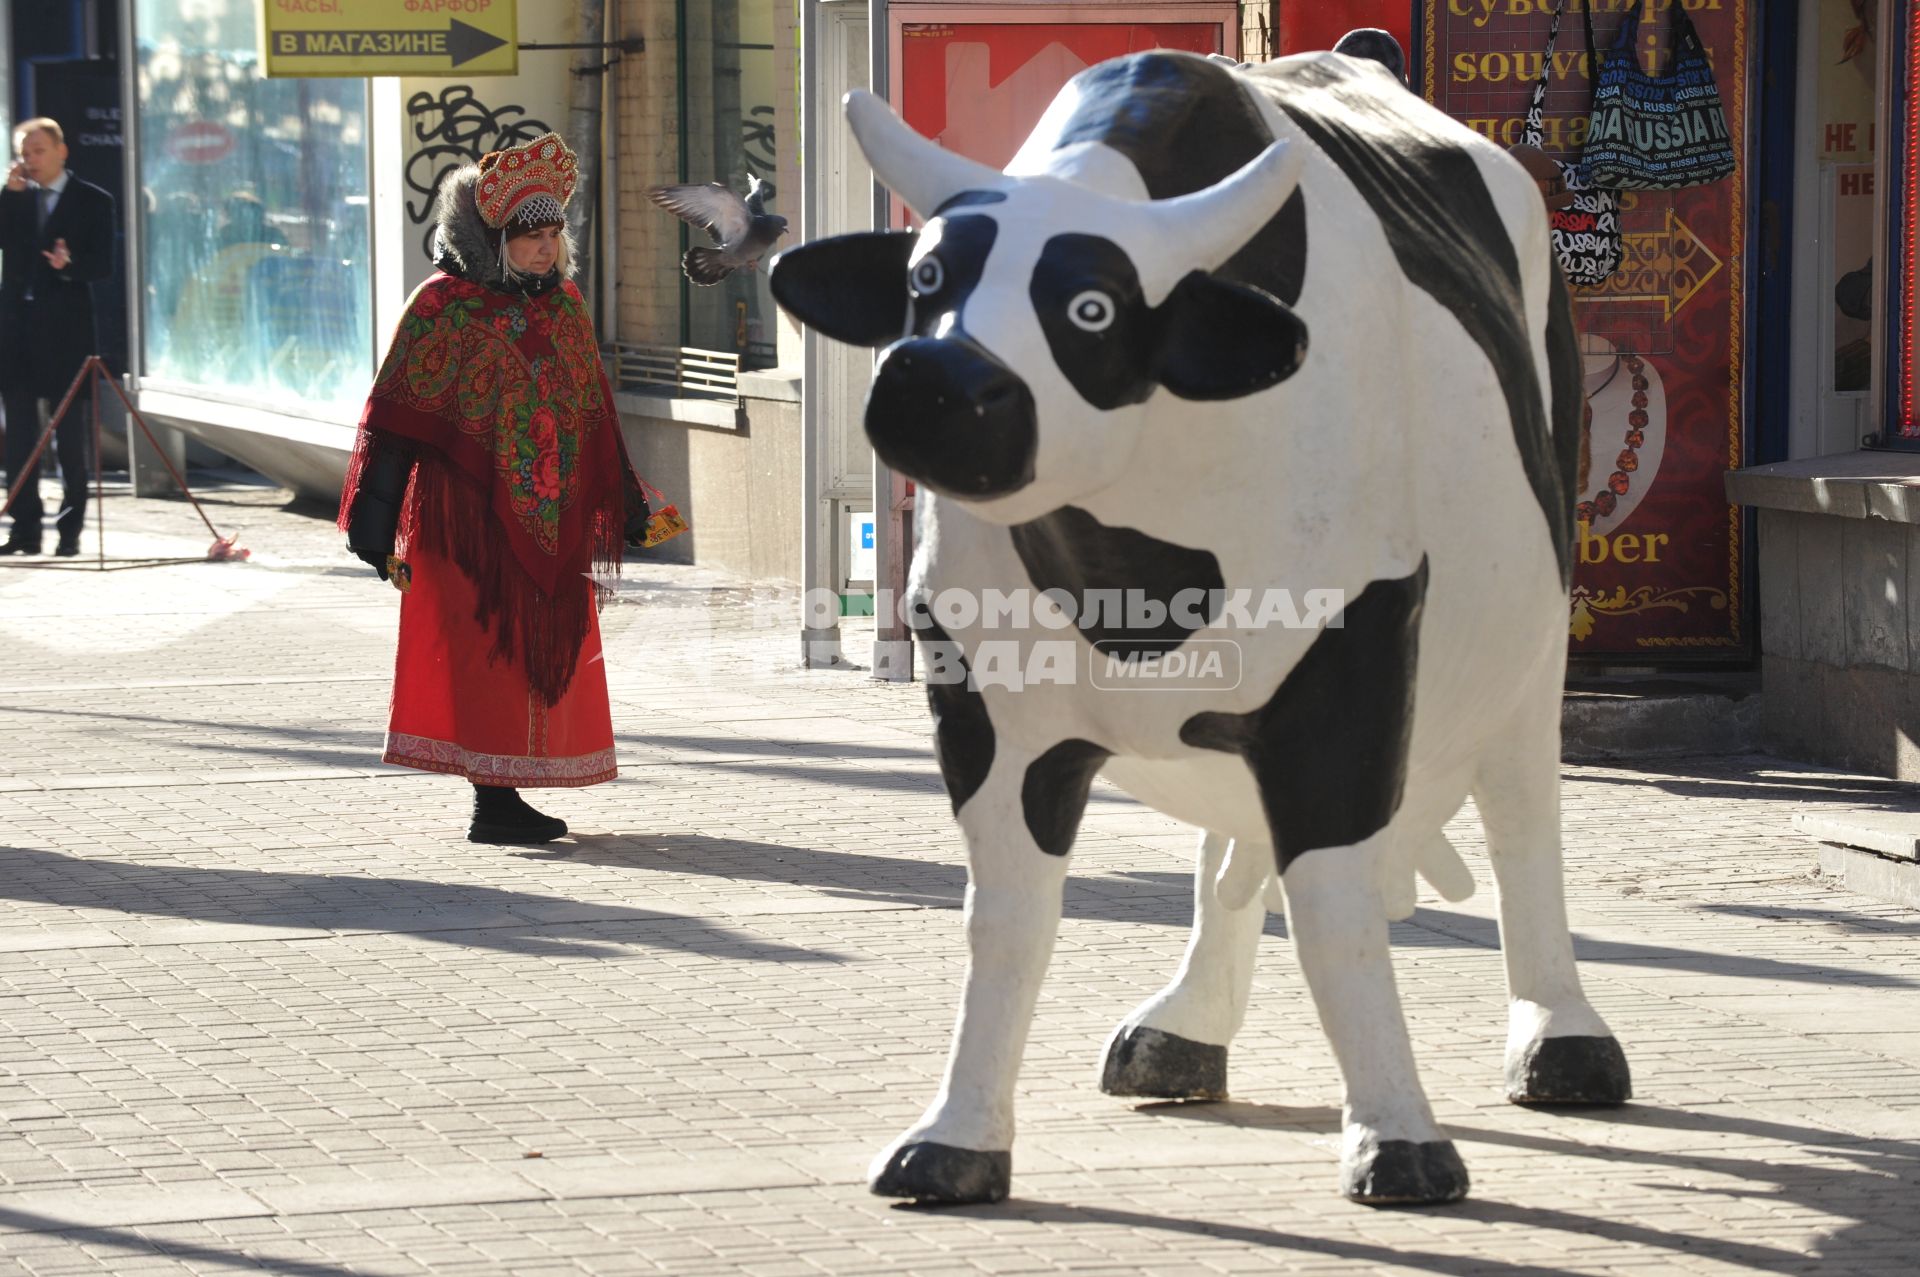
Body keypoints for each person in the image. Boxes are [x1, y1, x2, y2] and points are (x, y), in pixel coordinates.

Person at [337, 132, 652, 844]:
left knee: (538, 659)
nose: (545, 248)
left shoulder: (565, 305)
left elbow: (594, 413)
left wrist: (629, 507)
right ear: (489, 235)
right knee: (486, 654)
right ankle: (494, 801)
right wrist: (373, 526)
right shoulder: (442, 306)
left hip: (553, 514)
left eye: (552, 233)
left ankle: (509, 792)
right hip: (464, 521)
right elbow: (396, 418)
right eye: (527, 236)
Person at [0, 117, 115, 556]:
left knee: (70, 442)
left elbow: (103, 265)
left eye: (39, 151)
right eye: (25, 152)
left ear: (62, 151)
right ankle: (24, 530)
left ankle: (69, 533)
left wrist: (69, 266)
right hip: (17, 336)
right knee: (21, 440)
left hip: (67, 336)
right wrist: (10, 199)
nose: (31, 160)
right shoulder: (16, 199)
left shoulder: (91, 200)